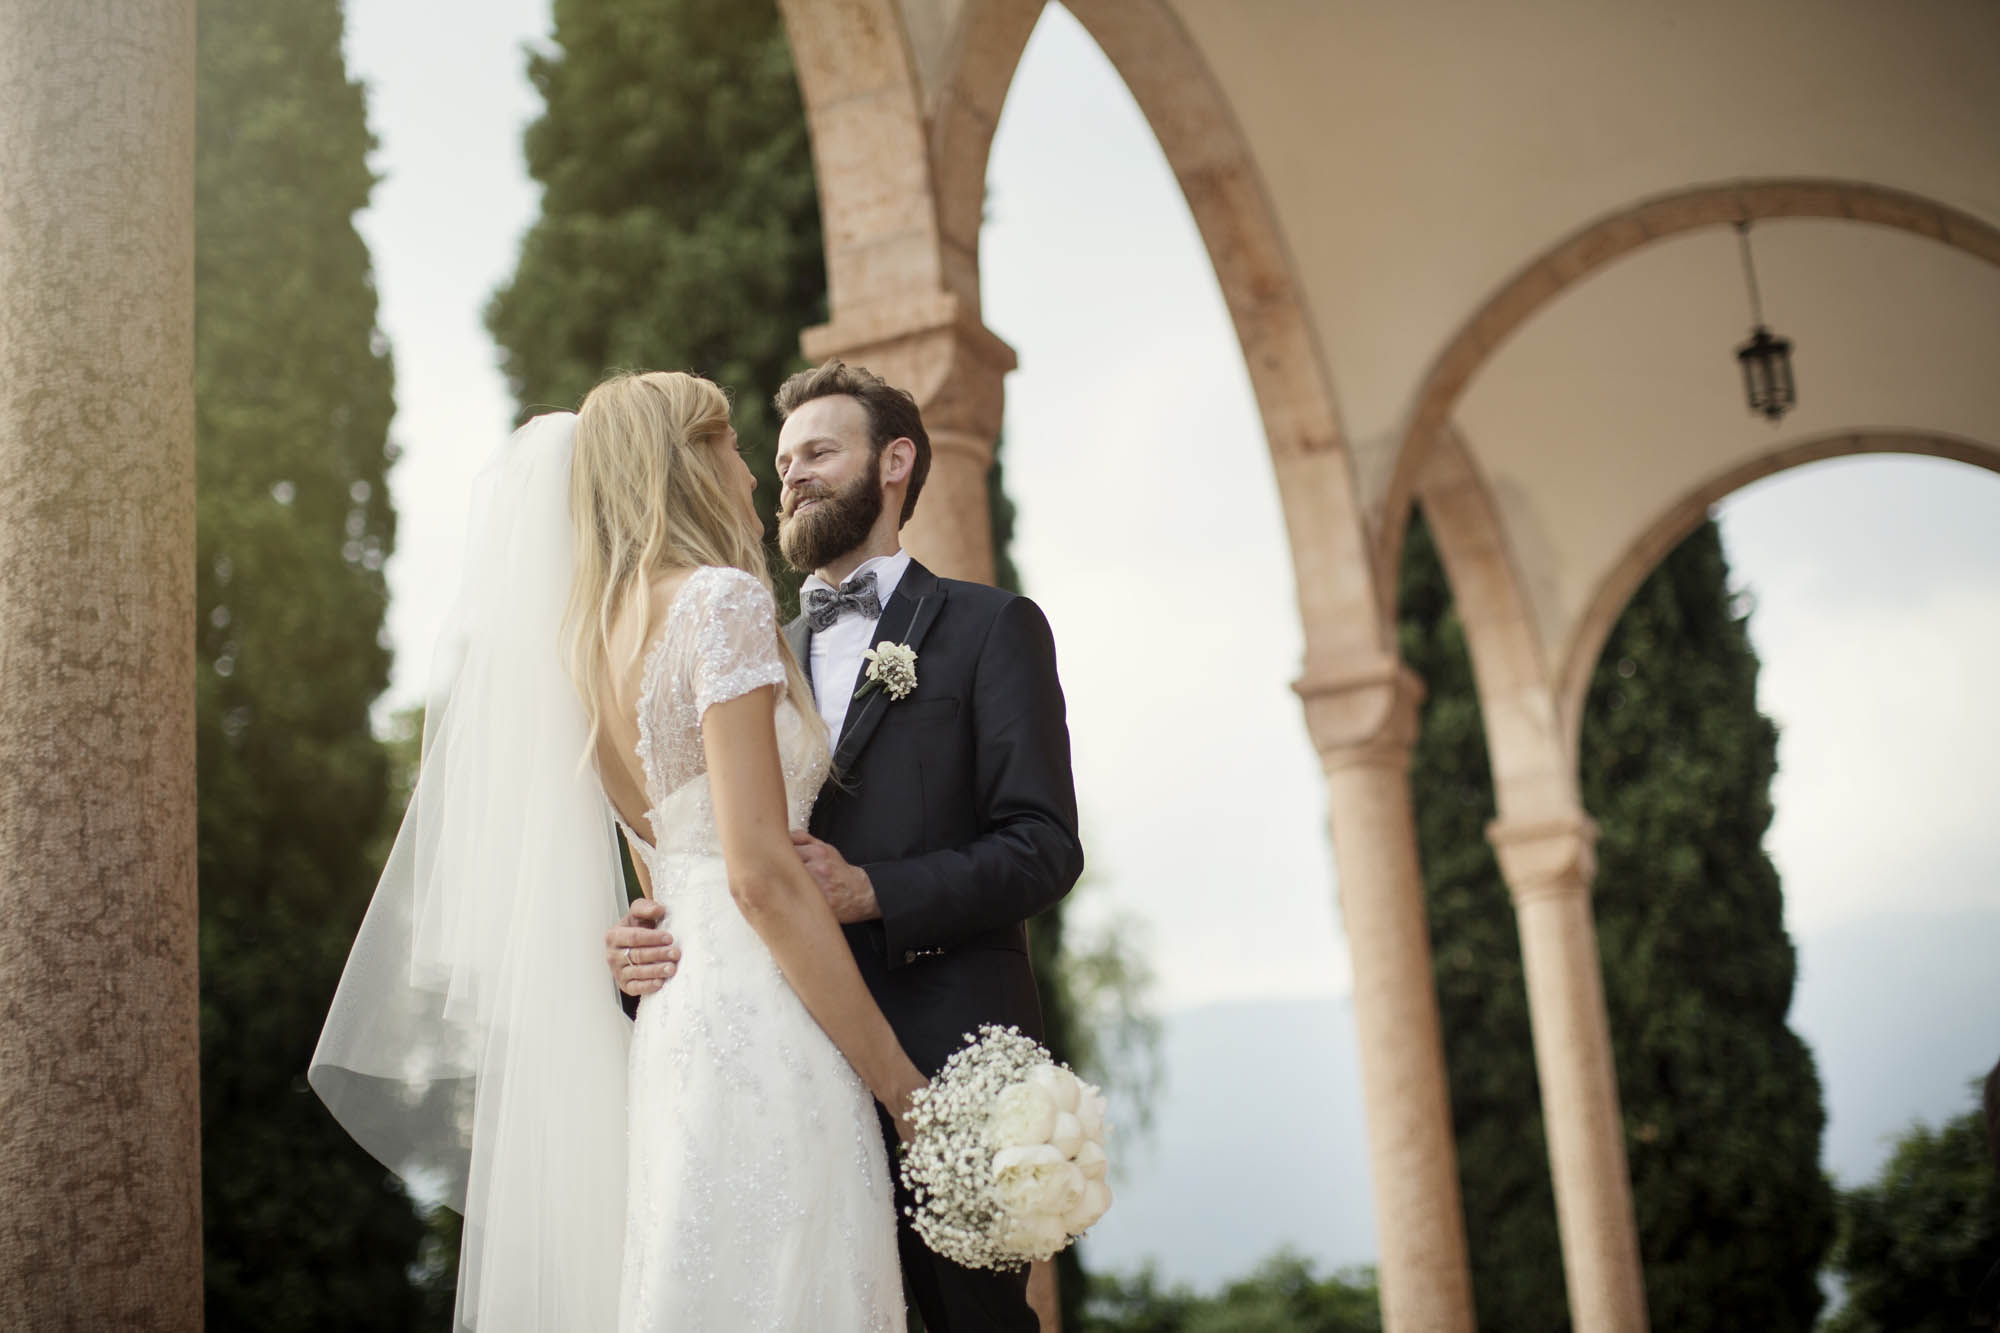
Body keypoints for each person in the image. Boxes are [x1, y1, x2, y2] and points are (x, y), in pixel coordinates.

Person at [312, 371, 926, 1331]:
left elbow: (660, 863)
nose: (752, 472)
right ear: (686, 460)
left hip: (678, 1025)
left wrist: (636, 925)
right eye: (731, 446)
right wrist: (901, 1085)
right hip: (772, 1014)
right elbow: (758, 875)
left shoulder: (583, 644)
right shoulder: (718, 602)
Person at [608, 359, 1084, 1331]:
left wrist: (875, 890)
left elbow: (1042, 848)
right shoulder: (742, 638)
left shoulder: (991, 629)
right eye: (779, 461)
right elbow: (704, 847)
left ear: (894, 462)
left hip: (942, 1063)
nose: (789, 476)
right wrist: (638, 942)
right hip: (770, 1064)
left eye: (818, 451)